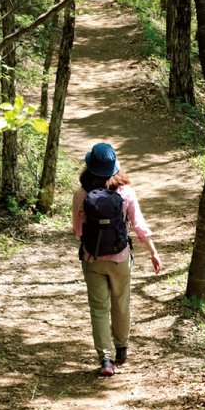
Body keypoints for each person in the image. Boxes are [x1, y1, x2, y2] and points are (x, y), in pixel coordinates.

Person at [72, 141, 161, 377]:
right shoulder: (126, 193)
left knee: (99, 309)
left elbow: (78, 231)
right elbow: (140, 226)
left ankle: (106, 359)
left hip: (92, 259)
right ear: (114, 168)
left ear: (89, 167)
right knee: (120, 303)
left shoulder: (81, 194)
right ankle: (121, 348)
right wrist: (153, 252)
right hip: (120, 258)